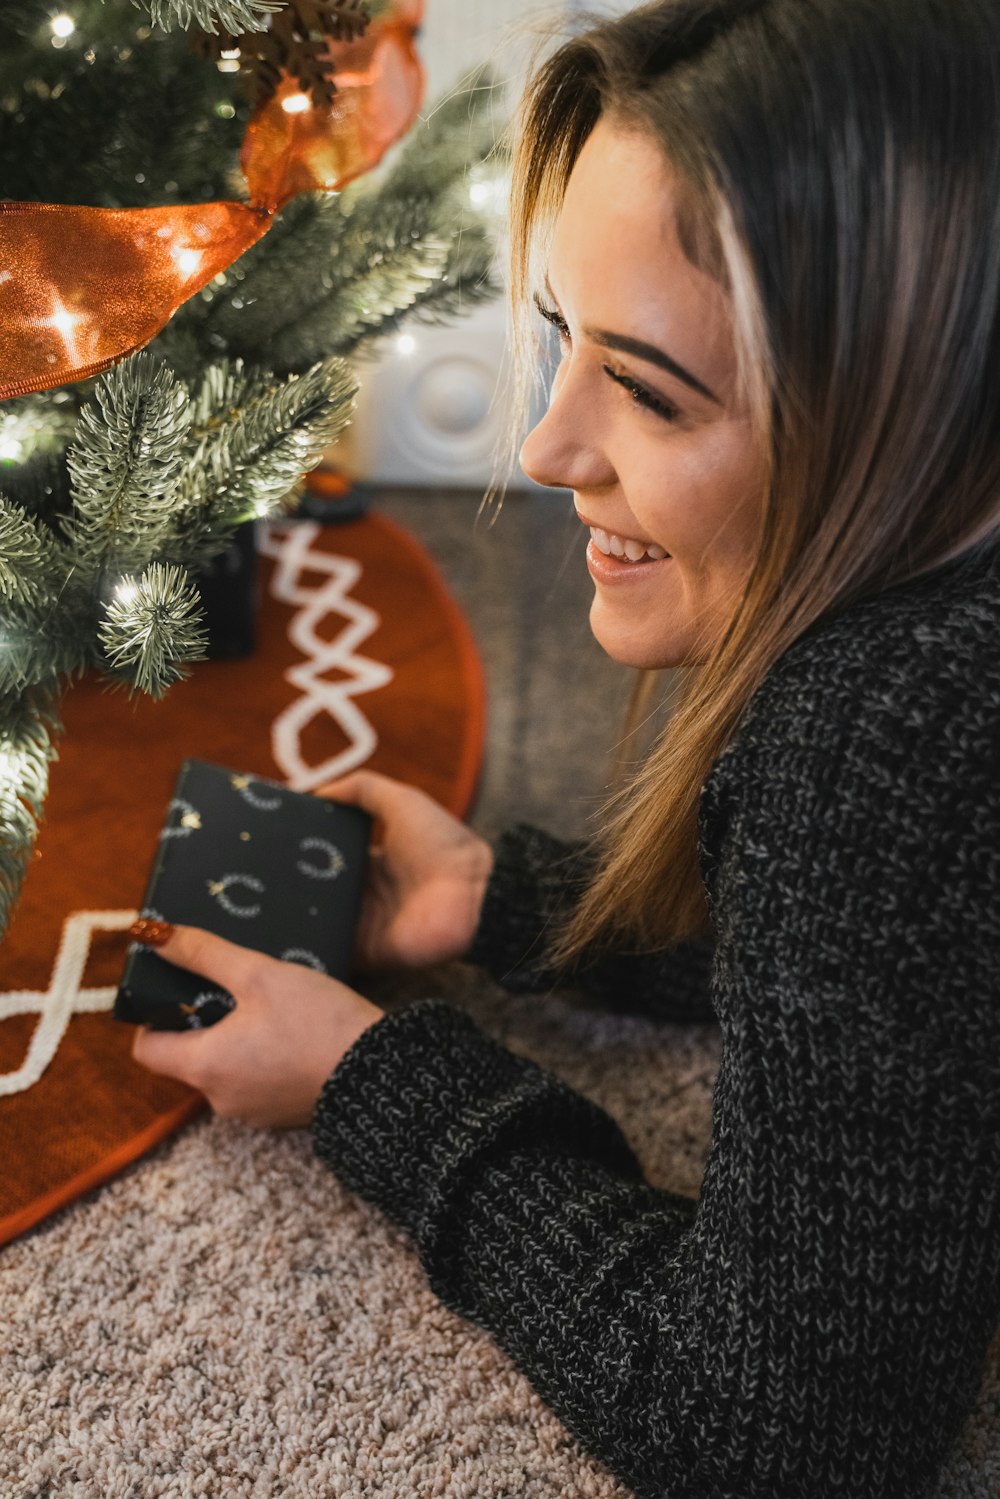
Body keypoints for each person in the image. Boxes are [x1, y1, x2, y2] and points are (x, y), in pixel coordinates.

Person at [128, 0, 1000, 1494]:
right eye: (563, 344)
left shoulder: (888, 732)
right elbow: (926, 978)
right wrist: (512, 908)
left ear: (907, 410)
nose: (547, 448)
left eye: (652, 390)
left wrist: (367, 1080)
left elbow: (777, 1434)